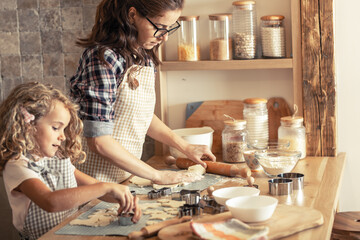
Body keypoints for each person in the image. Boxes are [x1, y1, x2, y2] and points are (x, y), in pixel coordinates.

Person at [69, 0, 216, 184]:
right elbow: (99, 141)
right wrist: (157, 175)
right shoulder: (103, 59)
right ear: (132, 15)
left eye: (170, 28)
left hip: (124, 177)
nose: (164, 37)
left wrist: (186, 147)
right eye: (160, 27)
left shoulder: (144, 57)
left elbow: (140, 115)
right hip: (92, 182)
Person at [0, 82, 141, 240]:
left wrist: (123, 200)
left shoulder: (58, 158)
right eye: (55, 128)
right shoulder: (17, 165)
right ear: (28, 125)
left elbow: (93, 186)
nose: (63, 136)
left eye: (64, 129)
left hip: (70, 234)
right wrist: (106, 187)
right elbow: (50, 202)